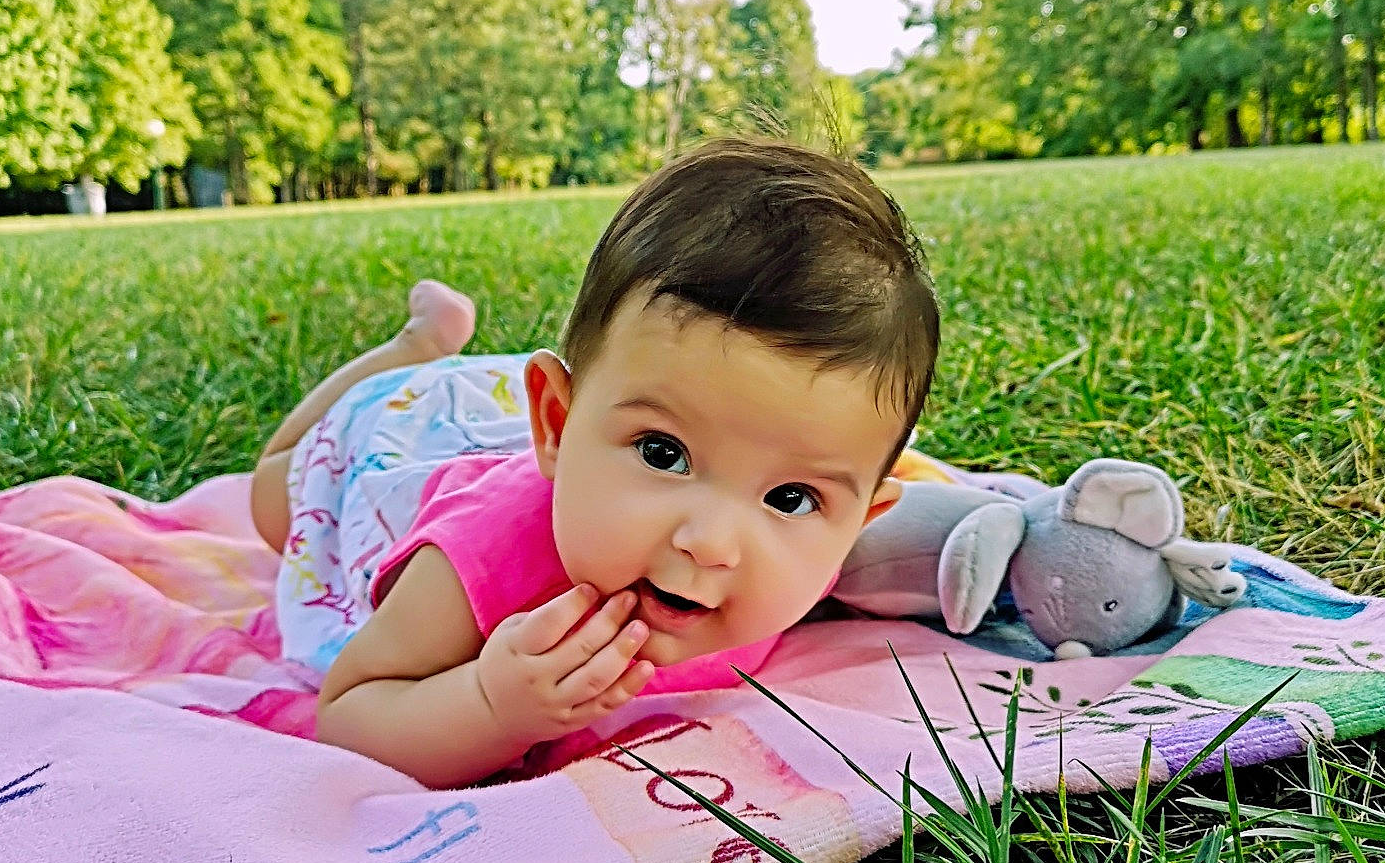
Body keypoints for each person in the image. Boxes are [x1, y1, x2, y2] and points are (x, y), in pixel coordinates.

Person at [251, 139, 940, 787]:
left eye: (788, 499)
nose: (709, 541)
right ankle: (411, 348)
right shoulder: (479, 559)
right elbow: (350, 714)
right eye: (663, 454)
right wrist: (491, 706)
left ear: (856, 523)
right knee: (272, 496)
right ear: (557, 423)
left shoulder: (806, 552)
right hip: (399, 436)